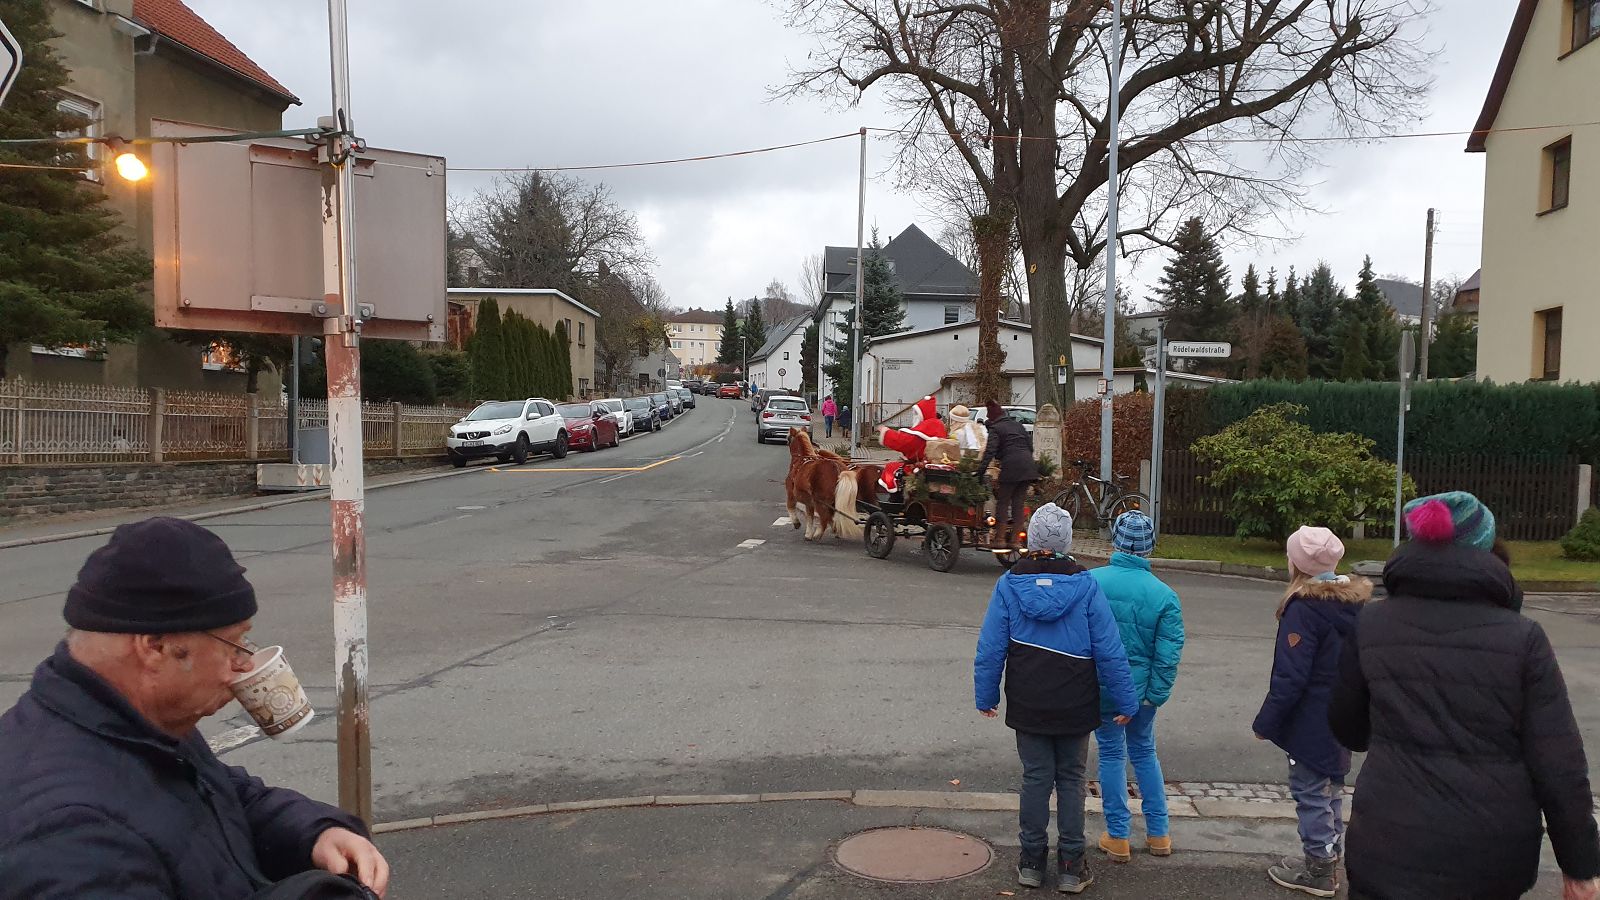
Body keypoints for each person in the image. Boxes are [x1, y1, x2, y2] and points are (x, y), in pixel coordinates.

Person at [0, 518, 391, 899]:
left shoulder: (138, 722)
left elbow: (228, 797)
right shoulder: (68, 832)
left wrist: (316, 833)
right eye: (234, 645)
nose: (245, 666)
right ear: (155, 647)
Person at [1329, 492, 1600, 900]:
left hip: (1387, 841)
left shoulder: (1371, 622)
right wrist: (1580, 866)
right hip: (1489, 855)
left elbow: (1348, 728)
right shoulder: (1523, 638)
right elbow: (1558, 762)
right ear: (1488, 548)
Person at [975, 503, 1138, 893]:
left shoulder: (1010, 584)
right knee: (1071, 779)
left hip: (1028, 697)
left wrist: (986, 694)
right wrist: (1125, 700)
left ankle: (1031, 861)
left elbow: (991, 647)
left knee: (1035, 778)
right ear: (1067, 542)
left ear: (1031, 539)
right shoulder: (1086, 585)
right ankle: (1070, 864)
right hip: (1075, 699)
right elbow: (1109, 649)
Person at [1251, 525, 1369, 898]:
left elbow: (1291, 676)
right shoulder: (1355, 605)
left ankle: (1319, 868)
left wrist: (1266, 722)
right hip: (1342, 715)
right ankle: (1329, 858)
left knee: (1310, 791)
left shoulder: (1303, 609)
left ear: (1296, 564)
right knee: (1330, 788)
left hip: (1310, 719)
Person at [1090, 511, 1184, 863]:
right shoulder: (1165, 596)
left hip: (1102, 687)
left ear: (1115, 541)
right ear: (1150, 547)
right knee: (1144, 752)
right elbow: (1168, 655)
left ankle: (1118, 836)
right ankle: (1159, 833)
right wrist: (1154, 695)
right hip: (1143, 690)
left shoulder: (1092, 582)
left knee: (1111, 754)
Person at [979, 401, 1040, 549]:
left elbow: (990, 451)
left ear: (992, 417)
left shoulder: (996, 428)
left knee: (1003, 502)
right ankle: (1015, 541)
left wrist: (980, 471)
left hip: (1011, 467)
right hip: (1028, 467)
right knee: (1018, 504)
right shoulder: (1018, 426)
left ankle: (999, 539)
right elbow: (1030, 447)